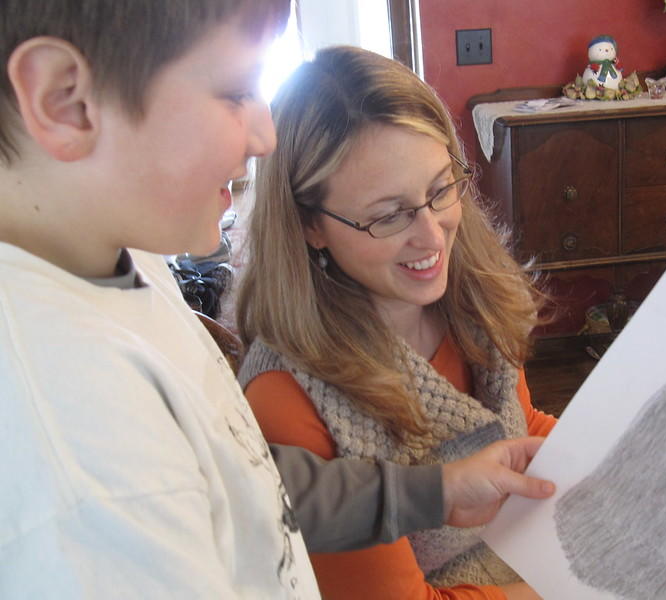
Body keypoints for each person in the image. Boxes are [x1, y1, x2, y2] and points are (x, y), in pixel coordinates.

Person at [0, 2, 558, 598]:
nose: (265, 135)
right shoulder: (68, 446)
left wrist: (434, 490)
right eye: (235, 89)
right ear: (64, 99)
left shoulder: (116, 258)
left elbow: (247, 476)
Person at [236, 46, 558, 600]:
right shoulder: (289, 397)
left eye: (439, 191)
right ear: (311, 225)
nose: (433, 238)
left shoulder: (469, 296)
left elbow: (518, 427)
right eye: (388, 216)